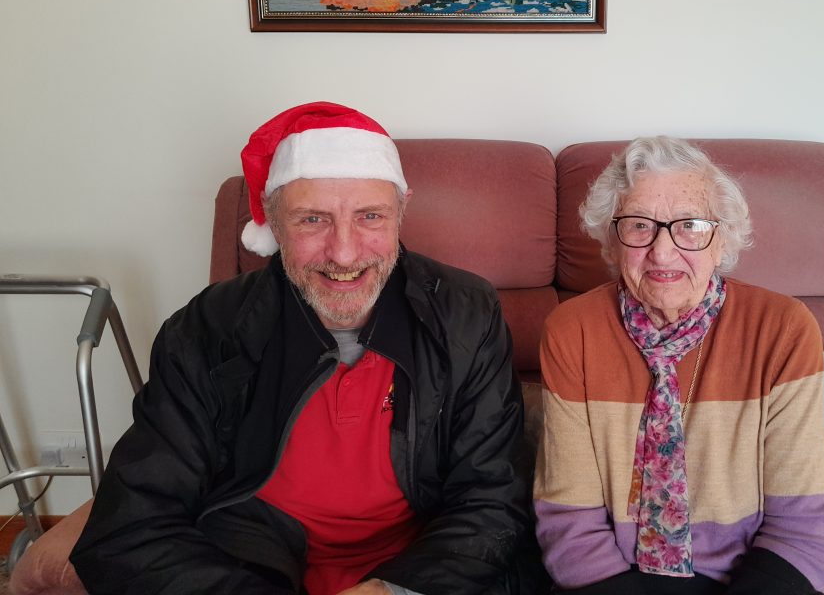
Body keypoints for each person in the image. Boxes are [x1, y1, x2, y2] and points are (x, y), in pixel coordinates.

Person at [69, 102, 532, 595]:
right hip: (248, 563)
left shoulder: (468, 313)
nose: (345, 253)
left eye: (370, 216)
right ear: (272, 224)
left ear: (402, 212)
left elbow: (492, 498)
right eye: (312, 220)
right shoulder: (206, 329)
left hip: (424, 564)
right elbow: (130, 527)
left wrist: (390, 590)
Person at [533, 137, 824, 595]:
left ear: (722, 240)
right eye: (639, 225)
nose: (662, 251)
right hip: (614, 581)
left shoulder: (782, 328)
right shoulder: (572, 330)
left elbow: (804, 528)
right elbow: (570, 525)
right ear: (612, 242)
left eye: (691, 226)